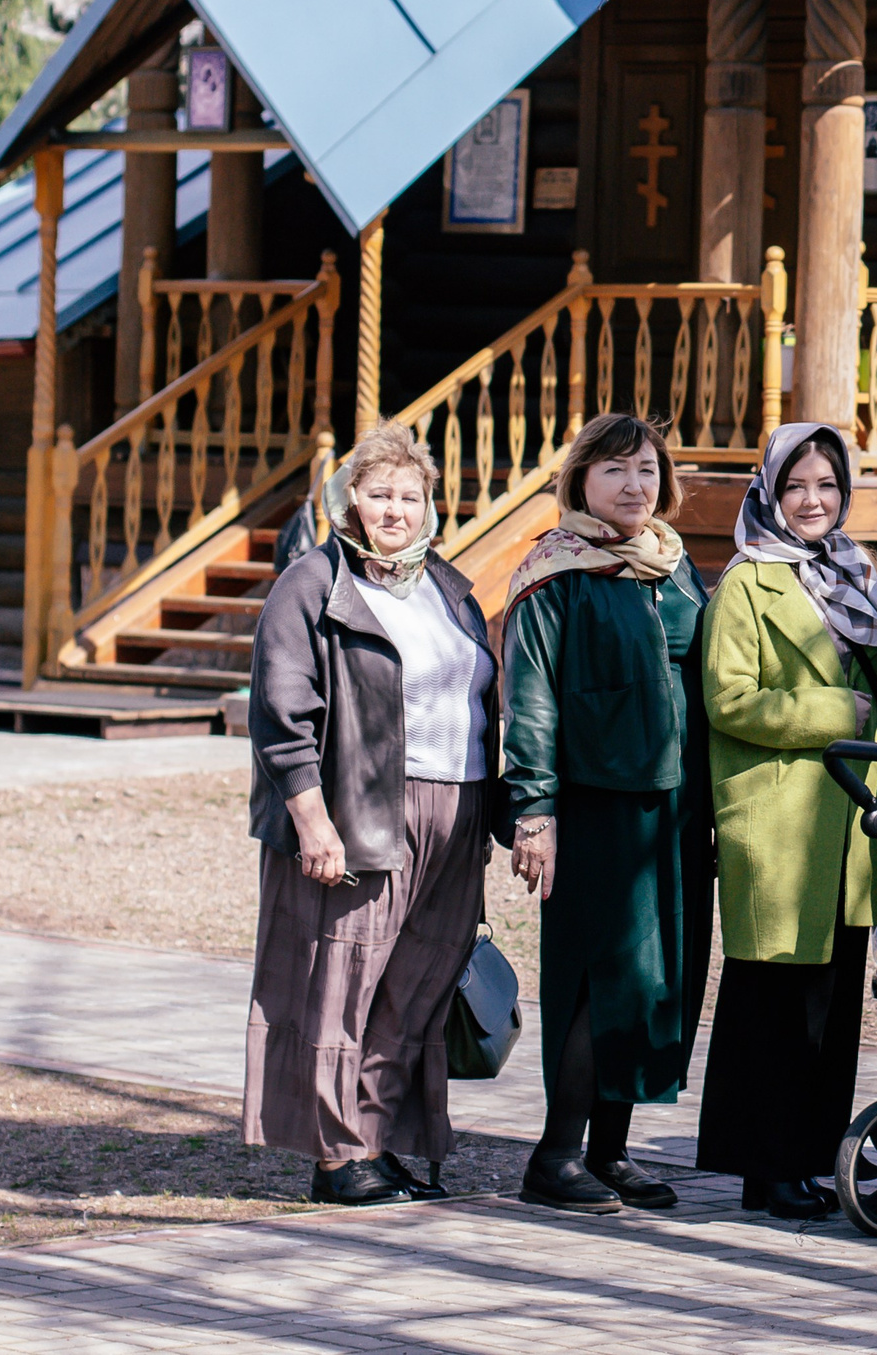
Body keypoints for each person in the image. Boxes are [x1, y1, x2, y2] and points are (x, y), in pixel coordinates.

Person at [244, 421, 505, 1207]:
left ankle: (379, 1137)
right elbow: (280, 711)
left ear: (432, 504)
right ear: (350, 498)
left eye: (411, 495)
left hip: (455, 807)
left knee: (417, 981)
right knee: (342, 978)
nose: (395, 509)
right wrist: (312, 821)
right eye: (380, 493)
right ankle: (335, 1154)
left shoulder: (450, 588)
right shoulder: (313, 582)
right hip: (359, 808)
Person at [503, 412, 713, 1215]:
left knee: (658, 979)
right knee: (598, 978)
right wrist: (534, 811)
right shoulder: (555, 572)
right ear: (582, 480)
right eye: (616, 470)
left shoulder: (674, 568)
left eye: (648, 471)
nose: (635, 485)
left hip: (676, 806)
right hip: (595, 807)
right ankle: (554, 1155)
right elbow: (529, 700)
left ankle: (611, 1150)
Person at [697, 423, 877, 1221]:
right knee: (771, 1002)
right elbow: (730, 698)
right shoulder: (747, 580)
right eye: (796, 486)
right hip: (779, 818)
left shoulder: (857, 571)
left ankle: (807, 1157)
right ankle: (763, 1166)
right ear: (770, 493)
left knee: (832, 1002)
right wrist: (835, 709)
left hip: (846, 818)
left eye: (826, 485)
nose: (812, 500)